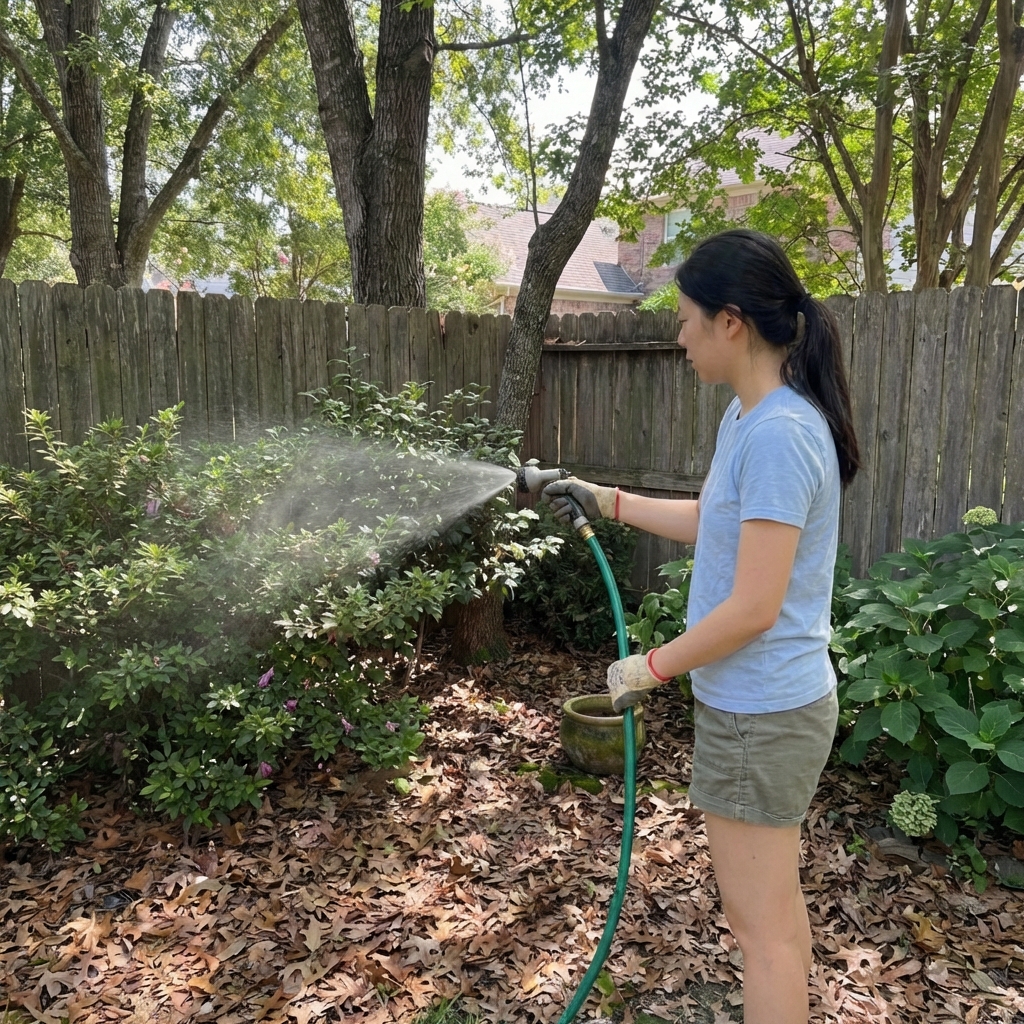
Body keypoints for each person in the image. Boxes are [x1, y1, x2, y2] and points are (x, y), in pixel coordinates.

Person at [542, 228, 860, 1024]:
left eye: (685, 319)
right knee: (778, 920)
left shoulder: (782, 435)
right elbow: (710, 523)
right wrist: (600, 496)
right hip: (764, 709)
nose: (677, 336)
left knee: (762, 938)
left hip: (761, 715)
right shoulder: (750, 419)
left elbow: (754, 607)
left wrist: (650, 666)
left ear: (730, 322)